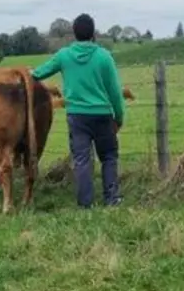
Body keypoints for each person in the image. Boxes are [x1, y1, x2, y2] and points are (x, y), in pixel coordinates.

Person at [31, 13, 125, 208]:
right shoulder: (104, 57)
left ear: (74, 34)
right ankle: (112, 199)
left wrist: (23, 73)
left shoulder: (64, 56)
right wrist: (119, 117)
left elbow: (38, 74)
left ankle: (85, 203)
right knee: (108, 156)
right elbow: (115, 92)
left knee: (81, 159)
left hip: (77, 116)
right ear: (93, 33)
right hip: (103, 115)